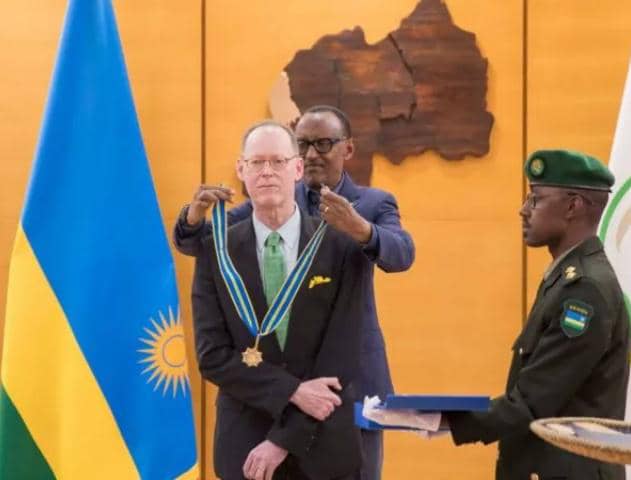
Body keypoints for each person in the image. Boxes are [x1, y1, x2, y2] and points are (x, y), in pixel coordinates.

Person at [176, 105, 415, 480]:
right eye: (304, 144)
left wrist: (360, 229)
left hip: (343, 387)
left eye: (324, 144)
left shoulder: (366, 211)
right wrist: (190, 219)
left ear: (347, 148)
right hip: (256, 406)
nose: (313, 153)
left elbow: (402, 254)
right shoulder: (270, 199)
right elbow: (207, 244)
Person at [446, 149, 630, 480]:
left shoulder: (584, 289)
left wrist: (444, 419)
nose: (523, 209)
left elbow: (533, 401)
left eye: (535, 199)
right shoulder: (568, 277)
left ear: (572, 207)